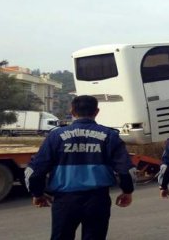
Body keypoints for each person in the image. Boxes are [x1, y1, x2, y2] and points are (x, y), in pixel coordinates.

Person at [25, 95, 135, 240]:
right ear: (96, 112)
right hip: (98, 199)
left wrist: (37, 193)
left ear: (72, 111)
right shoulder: (110, 135)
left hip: (65, 201)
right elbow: (126, 169)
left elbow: (35, 170)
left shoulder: (55, 136)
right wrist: (127, 191)